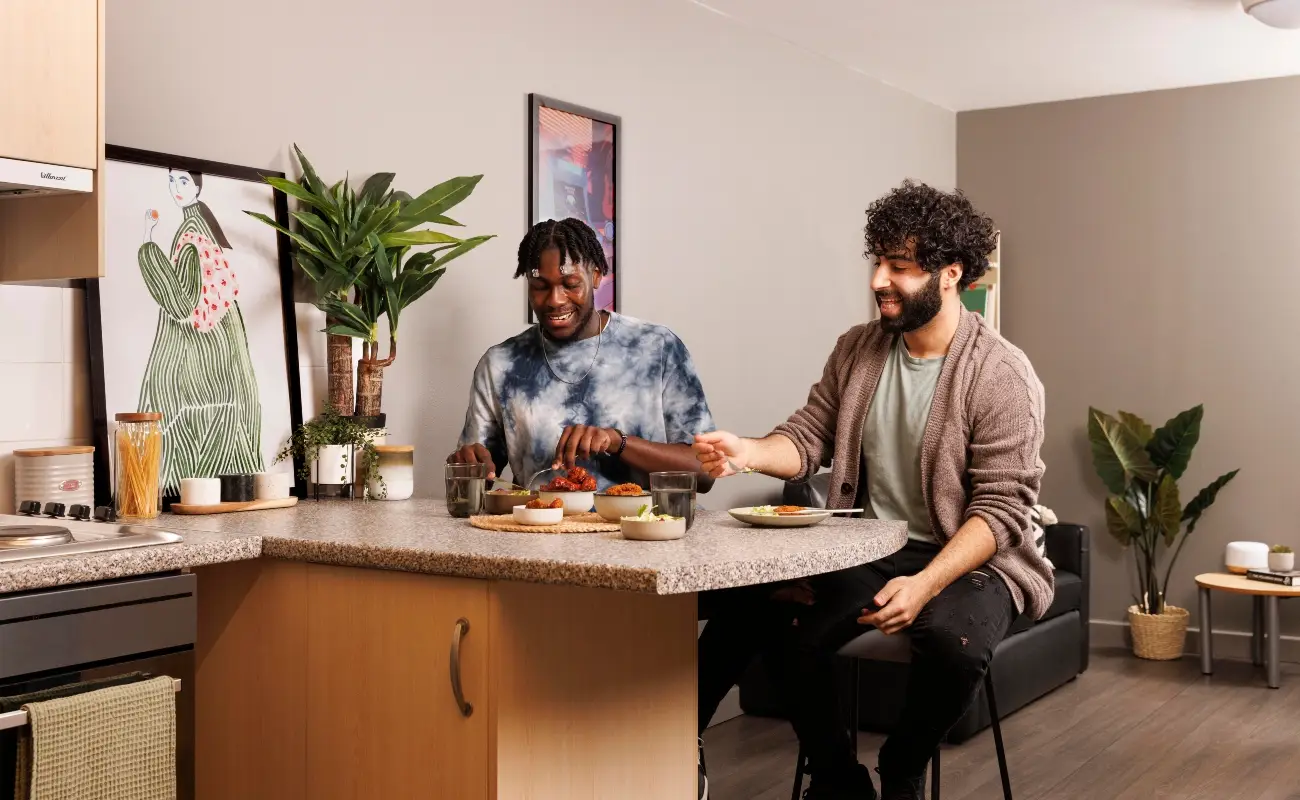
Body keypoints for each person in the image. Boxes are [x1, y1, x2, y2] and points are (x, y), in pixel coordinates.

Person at [693, 181, 1053, 800]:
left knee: (952, 644)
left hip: (975, 553)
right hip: (868, 542)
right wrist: (748, 452)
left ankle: (903, 766)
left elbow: (999, 510)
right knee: (774, 618)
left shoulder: (1000, 373)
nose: (879, 280)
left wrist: (925, 584)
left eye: (901, 267)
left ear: (951, 274)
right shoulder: (857, 349)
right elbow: (808, 437)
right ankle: (837, 780)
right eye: (877, 262)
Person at [448, 217, 715, 495]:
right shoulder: (501, 364)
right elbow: (471, 486)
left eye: (570, 284)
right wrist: (466, 468)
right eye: (540, 286)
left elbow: (706, 472)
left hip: (643, 530)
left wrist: (618, 442)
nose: (555, 299)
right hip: (538, 531)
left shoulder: (657, 347)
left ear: (597, 275)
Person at [139, 169, 263, 497]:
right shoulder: (198, 226)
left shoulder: (192, 232)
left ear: (197, 187)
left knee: (175, 397)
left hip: (202, 348)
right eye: (170, 181)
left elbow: (181, 303)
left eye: (182, 181)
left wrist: (148, 246)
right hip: (220, 342)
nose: (175, 188)